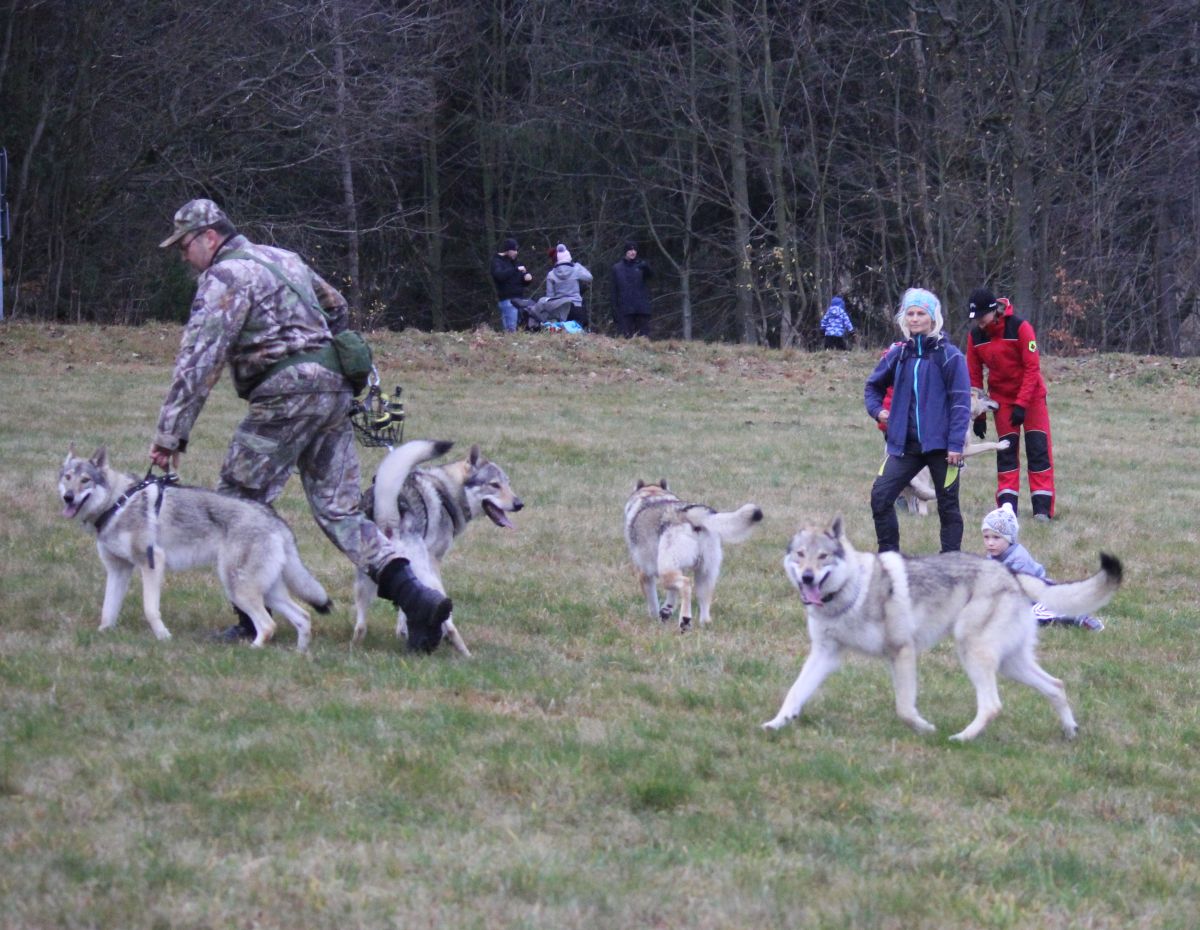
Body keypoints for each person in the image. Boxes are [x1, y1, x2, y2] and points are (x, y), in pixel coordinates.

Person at [149, 198, 451, 651]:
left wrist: (170, 435)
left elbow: (198, 360)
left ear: (209, 236)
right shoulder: (284, 258)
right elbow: (337, 305)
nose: (183, 257)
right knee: (342, 511)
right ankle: (418, 599)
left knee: (237, 503)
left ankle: (253, 621)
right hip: (333, 393)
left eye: (184, 246)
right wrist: (311, 347)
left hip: (285, 398)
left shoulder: (225, 277)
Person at [864, 287, 970, 553]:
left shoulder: (950, 356)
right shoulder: (898, 354)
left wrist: (956, 445)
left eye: (920, 313)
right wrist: (878, 411)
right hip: (903, 448)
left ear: (933, 318)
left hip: (943, 450)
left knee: (948, 507)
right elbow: (872, 387)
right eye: (909, 313)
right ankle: (889, 559)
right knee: (880, 497)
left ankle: (950, 563)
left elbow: (960, 403)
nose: (914, 318)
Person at [965, 287, 1056, 521]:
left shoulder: (1021, 328)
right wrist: (980, 415)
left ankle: (1042, 509)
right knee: (1006, 452)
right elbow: (974, 376)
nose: (980, 324)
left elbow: (1032, 368)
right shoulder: (975, 337)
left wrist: (1022, 404)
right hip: (1001, 400)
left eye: (982, 318)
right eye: (976, 320)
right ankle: (1007, 509)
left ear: (993, 311)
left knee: (1038, 450)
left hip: (1032, 398)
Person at [981, 504, 1104, 630]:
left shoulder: (1019, 560)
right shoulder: (992, 557)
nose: (990, 543)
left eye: (996, 537)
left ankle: (1079, 618)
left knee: (1034, 615)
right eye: (986, 537)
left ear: (1010, 538)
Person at [539, 243, 593, 329]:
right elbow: (589, 277)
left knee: (564, 334)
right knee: (578, 332)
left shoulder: (551, 274)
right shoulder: (575, 269)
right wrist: (578, 265)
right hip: (576, 306)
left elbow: (550, 297)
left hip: (561, 309)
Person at [610, 240, 653, 337]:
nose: (633, 252)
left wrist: (647, 268)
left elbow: (652, 277)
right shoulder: (617, 268)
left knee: (643, 339)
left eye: (635, 250)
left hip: (641, 308)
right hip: (625, 309)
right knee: (626, 338)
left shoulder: (642, 266)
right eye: (630, 250)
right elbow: (614, 291)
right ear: (625, 251)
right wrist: (614, 310)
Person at [489, 238, 532, 333]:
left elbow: (519, 279)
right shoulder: (496, 262)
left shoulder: (514, 262)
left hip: (519, 301)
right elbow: (500, 276)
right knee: (511, 331)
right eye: (514, 250)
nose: (516, 253)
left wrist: (527, 279)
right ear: (508, 250)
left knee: (520, 329)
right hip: (508, 301)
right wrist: (516, 270)